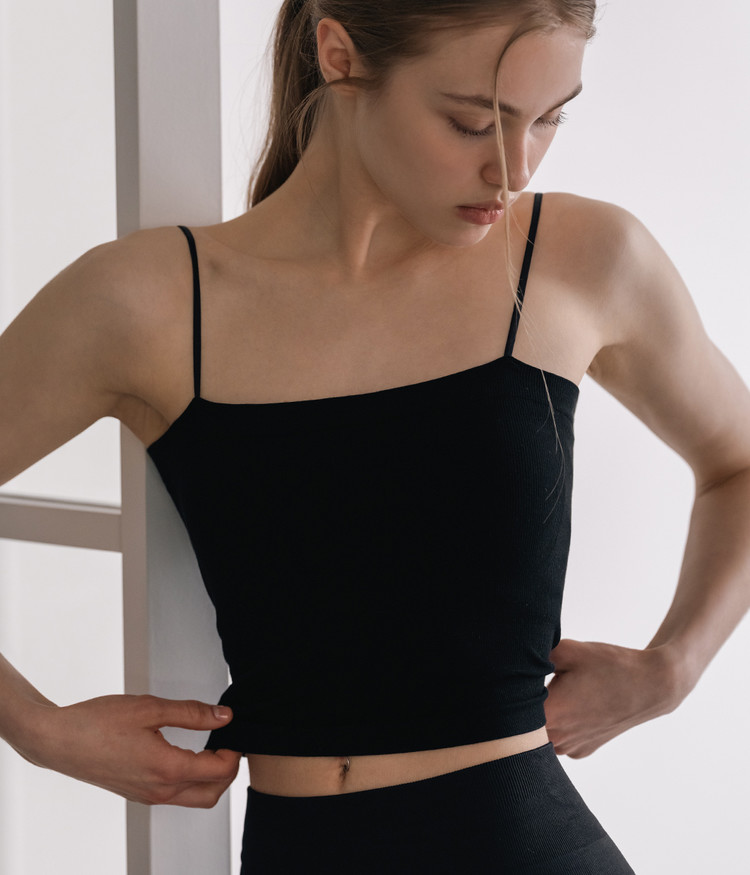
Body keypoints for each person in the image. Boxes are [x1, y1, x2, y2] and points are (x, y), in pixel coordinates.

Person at [1, 0, 749, 871]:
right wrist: (37, 728)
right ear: (339, 55)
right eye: (472, 122)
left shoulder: (579, 258)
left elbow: (738, 460)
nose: (514, 168)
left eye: (549, 119)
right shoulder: (149, 303)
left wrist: (673, 666)